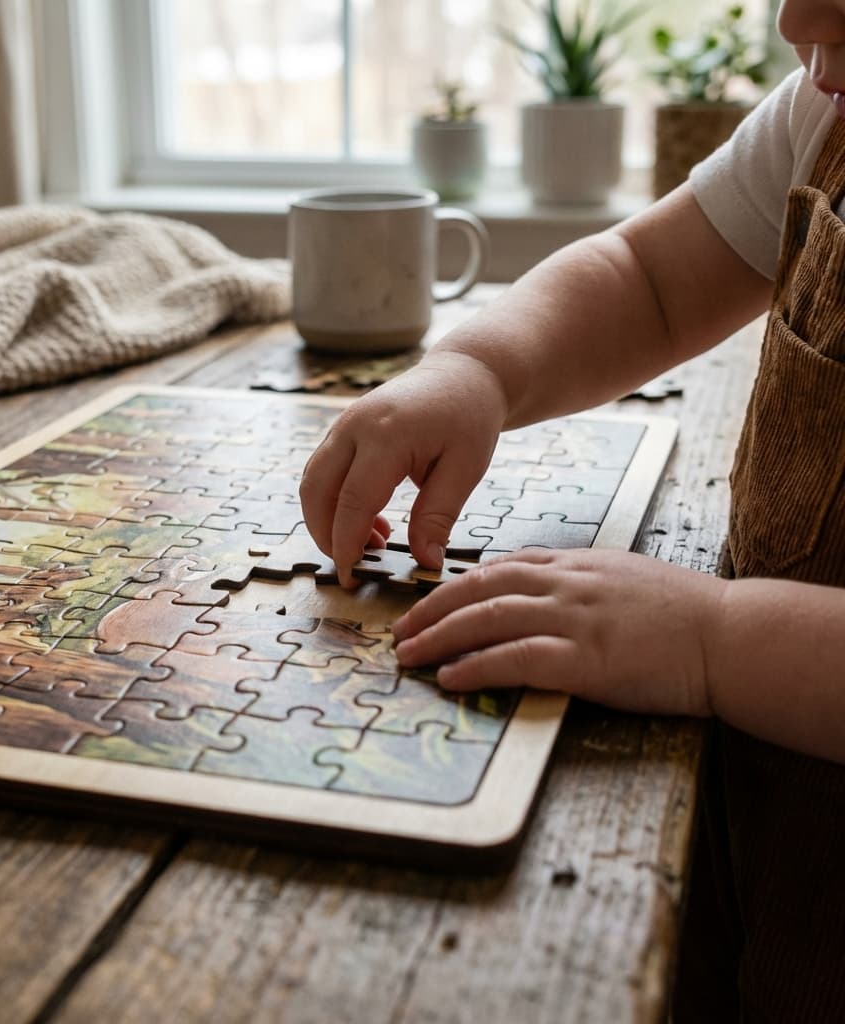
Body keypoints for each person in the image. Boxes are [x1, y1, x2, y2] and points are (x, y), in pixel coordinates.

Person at [299, 1, 845, 1018]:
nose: (794, 20)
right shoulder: (826, 104)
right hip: (741, 823)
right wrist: (477, 369)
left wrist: (714, 637)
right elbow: (648, 279)